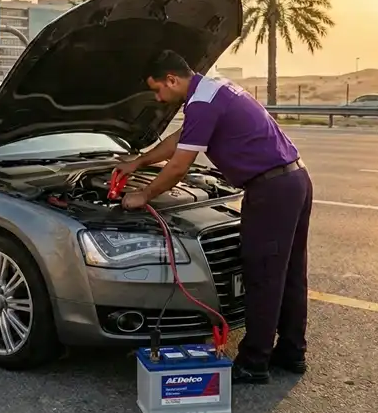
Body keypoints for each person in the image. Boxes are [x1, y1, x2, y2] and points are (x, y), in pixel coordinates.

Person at [114, 50, 313, 384]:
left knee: (263, 276)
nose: (157, 97)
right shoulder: (214, 89)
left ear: (172, 79)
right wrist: (139, 162)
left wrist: (143, 194)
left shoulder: (202, 103)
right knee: (291, 272)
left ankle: (254, 362)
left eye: (158, 89)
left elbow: (179, 165)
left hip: (271, 190)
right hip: (294, 180)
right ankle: (292, 353)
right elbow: (181, 140)